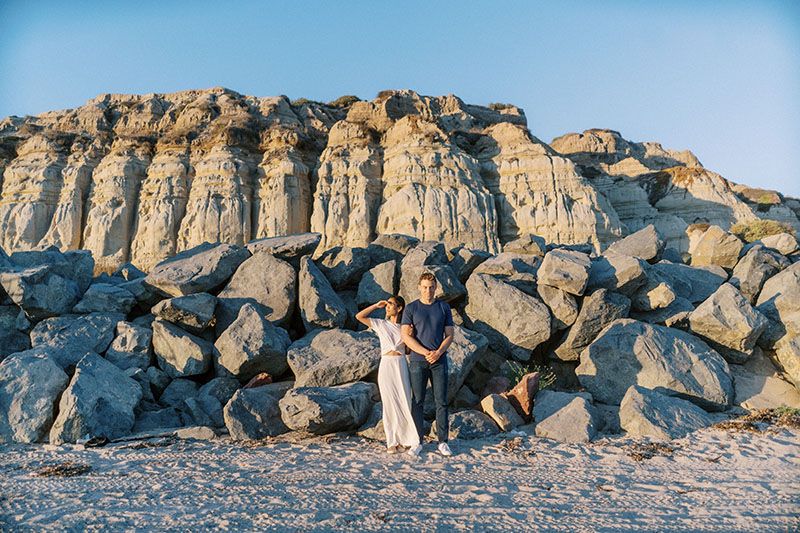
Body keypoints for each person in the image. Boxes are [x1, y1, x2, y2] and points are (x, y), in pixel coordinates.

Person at [355, 296, 420, 454]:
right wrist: (376, 305)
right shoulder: (381, 323)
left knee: (404, 400)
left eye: (391, 304)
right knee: (389, 402)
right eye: (388, 303)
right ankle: (392, 442)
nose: (387, 306)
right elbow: (359, 317)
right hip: (386, 364)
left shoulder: (405, 327)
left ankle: (405, 439)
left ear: (399, 308)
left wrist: (410, 335)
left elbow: (408, 351)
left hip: (401, 363)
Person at [401, 272, 454, 457]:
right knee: (417, 401)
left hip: (439, 361)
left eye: (431, 287)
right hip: (417, 360)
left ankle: (443, 442)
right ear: (419, 287)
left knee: (442, 401)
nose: (428, 290)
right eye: (424, 287)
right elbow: (405, 336)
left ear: (436, 287)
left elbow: (449, 335)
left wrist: (438, 352)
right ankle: (417, 441)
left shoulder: (444, 307)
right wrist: (425, 353)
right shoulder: (411, 308)